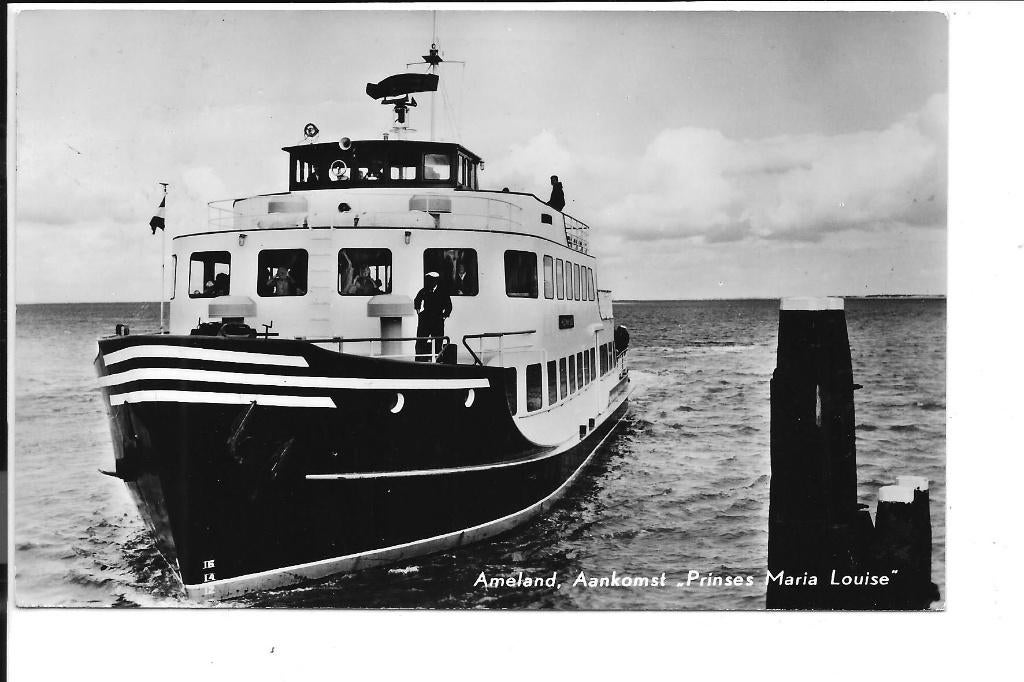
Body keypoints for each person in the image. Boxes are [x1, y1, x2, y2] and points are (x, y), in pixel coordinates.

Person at [413, 272, 452, 362]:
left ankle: (437, 360)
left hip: (438, 319)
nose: (431, 282)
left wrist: (444, 316)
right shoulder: (424, 290)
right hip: (425, 318)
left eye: (433, 280)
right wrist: (419, 312)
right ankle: (418, 360)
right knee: (421, 341)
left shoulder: (443, 292)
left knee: (438, 341)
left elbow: (449, 306)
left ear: (436, 281)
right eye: (429, 280)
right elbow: (417, 300)